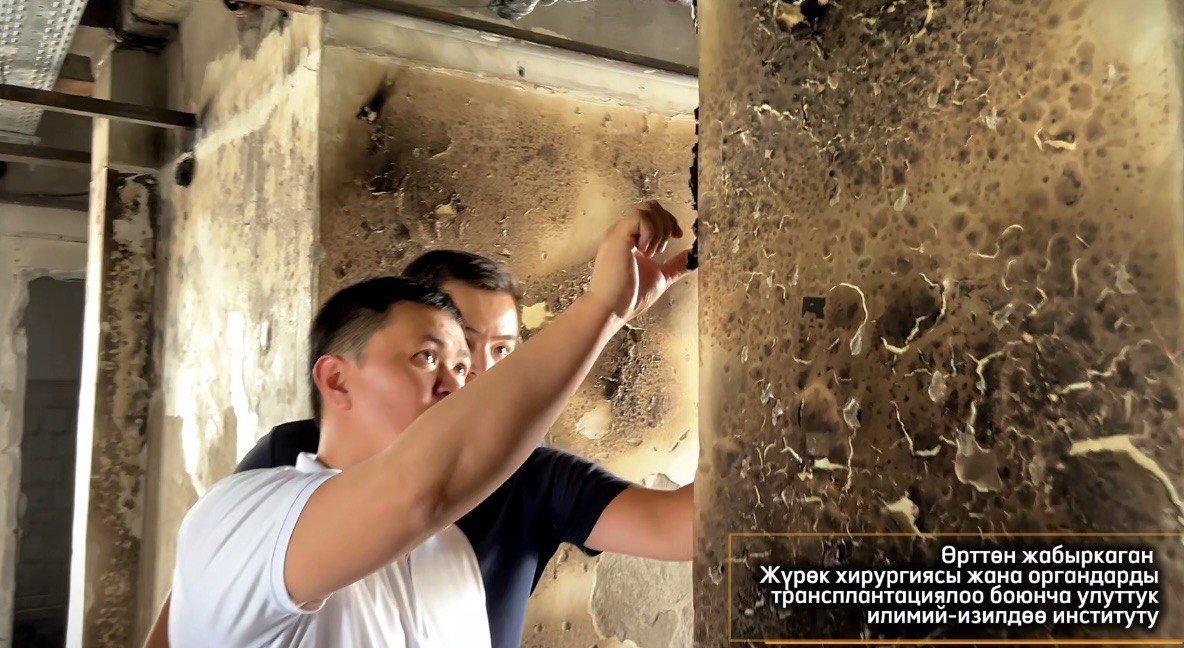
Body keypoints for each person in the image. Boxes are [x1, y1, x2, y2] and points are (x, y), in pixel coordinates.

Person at [162, 203, 691, 646]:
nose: (467, 381)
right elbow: (413, 492)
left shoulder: (453, 555)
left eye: (492, 355)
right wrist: (602, 307)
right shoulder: (244, 508)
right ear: (337, 380)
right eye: (427, 357)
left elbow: (680, 525)